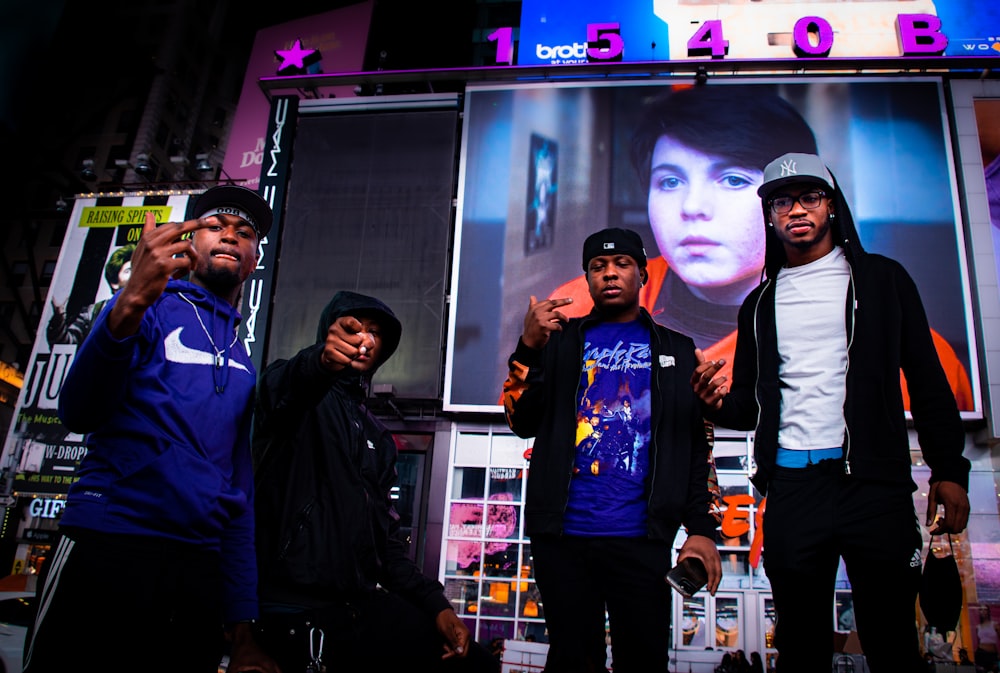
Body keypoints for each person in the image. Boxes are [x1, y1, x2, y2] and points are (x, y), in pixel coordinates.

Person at [691, 152, 971, 673]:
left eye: (809, 197)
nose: (796, 209)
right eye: (781, 201)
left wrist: (950, 471)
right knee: (799, 647)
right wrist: (716, 405)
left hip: (874, 489)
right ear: (770, 217)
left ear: (832, 206)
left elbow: (928, 380)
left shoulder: (884, 281)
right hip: (794, 493)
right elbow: (751, 408)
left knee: (891, 642)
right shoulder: (759, 303)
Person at [548, 85, 973, 410]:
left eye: (733, 179)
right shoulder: (579, 308)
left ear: (783, 202)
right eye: (670, 181)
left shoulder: (883, 338)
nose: (693, 207)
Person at [23, 185, 279, 673]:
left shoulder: (243, 356)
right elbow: (78, 411)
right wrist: (131, 300)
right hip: (110, 542)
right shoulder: (144, 307)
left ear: (252, 263)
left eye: (244, 234)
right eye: (215, 226)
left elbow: (238, 485)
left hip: (197, 569)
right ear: (187, 243)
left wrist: (243, 627)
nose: (230, 235)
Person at [502, 227, 723, 672]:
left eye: (621, 263)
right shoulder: (560, 343)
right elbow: (519, 420)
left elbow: (697, 447)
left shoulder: (678, 352)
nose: (609, 273)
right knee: (570, 662)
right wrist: (527, 348)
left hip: (642, 541)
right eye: (597, 266)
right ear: (586, 280)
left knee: (642, 663)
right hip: (563, 541)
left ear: (642, 274)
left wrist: (702, 527)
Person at [251, 290, 499, 673]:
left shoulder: (377, 437)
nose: (365, 339)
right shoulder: (294, 390)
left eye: (376, 333)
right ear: (330, 333)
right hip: (291, 605)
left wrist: (437, 605)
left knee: (476, 664)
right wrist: (320, 362)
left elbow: (387, 547)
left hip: (357, 605)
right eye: (356, 328)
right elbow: (289, 387)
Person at [46, 242, 136, 345]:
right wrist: (58, 318)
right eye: (129, 271)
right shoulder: (92, 312)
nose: (136, 274)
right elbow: (66, 343)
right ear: (114, 282)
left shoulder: (152, 310)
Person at [976, 605, 1000, 672]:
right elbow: (978, 641)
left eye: (985, 609)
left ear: (988, 611)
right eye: (981, 609)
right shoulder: (978, 627)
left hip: (992, 654)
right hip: (981, 653)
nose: (983, 611)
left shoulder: (995, 625)